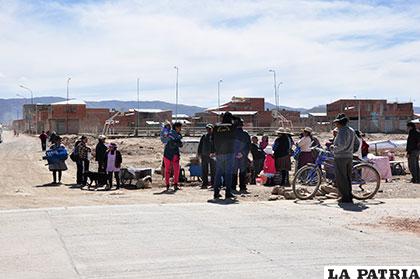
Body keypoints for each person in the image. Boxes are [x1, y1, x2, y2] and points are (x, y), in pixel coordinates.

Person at [332, 113, 359, 204]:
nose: (336, 125)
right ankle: (348, 195)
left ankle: (345, 197)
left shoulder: (342, 131)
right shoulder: (351, 130)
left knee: (341, 178)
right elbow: (357, 143)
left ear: (340, 123)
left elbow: (342, 144)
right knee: (347, 177)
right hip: (348, 157)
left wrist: (334, 149)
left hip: (340, 157)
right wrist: (351, 151)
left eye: (337, 123)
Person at [213, 112, 237, 199]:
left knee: (218, 173)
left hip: (219, 153)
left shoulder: (216, 126)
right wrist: (234, 117)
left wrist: (214, 150)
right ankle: (228, 192)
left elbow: (213, 139)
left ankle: (216, 192)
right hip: (229, 152)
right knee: (228, 173)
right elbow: (238, 121)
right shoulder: (232, 127)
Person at [232, 119, 251, 193]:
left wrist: (235, 153)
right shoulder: (245, 134)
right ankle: (242, 186)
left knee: (234, 171)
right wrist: (242, 153)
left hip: (234, 155)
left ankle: (233, 186)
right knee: (243, 171)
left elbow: (230, 145)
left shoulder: (232, 134)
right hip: (243, 155)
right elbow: (248, 145)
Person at [163, 122, 183, 191]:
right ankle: (168, 185)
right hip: (169, 154)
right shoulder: (171, 134)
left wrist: (177, 143)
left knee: (176, 170)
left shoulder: (178, 135)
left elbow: (179, 144)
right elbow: (172, 144)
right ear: (176, 127)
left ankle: (174, 184)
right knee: (169, 170)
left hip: (173, 154)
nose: (180, 129)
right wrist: (177, 143)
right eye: (180, 127)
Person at [197, 124, 215, 188]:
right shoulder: (204, 136)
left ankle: (213, 183)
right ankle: (205, 183)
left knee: (213, 170)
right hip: (204, 155)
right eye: (207, 129)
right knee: (204, 170)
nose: (208, 130)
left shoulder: (214, 137)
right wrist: (199, 153)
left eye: (210, 129)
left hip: (212, 155)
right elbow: (200, 145)